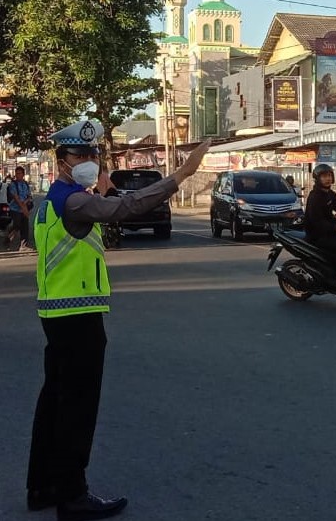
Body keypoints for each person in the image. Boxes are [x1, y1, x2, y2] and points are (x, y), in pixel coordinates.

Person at [26, 119, 210, 520]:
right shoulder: (73, 201)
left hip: (56, 313)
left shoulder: (50, 201)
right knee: (77, 407)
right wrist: (182, 174)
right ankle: (72, 495)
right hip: (78, 315)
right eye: (80, 155)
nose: (89, 161)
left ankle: (42, 486)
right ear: (61, 162)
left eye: (94, 155)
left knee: (53, 403)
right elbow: (127, 207)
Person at [7, 166, 33, 250]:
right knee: (17, 224)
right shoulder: (13, 185)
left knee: (25, 227)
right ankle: (9, 237)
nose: (18, 175)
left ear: (23, 174)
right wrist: (24, 208)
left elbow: (29, 196)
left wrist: (25, 204)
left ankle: (23, 245)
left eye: (19, 173)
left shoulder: (25, 184)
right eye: (16, 174)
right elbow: (16, 198)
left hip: (24, 207)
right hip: (15, 209)